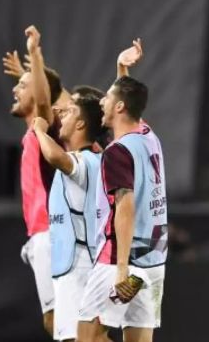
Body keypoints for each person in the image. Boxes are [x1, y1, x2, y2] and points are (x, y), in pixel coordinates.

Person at [78, 76, 167, 342]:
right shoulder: (150, 137)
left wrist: (120, 268)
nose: (102, 102)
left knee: (87, 338)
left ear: (119, 107)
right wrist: (123, 68)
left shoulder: (117, 152)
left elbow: (125, 208)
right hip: (153, 261)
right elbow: (132, 105)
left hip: (119, 259)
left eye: (107, 97)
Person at [33, 85, 105, 342]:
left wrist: (39, 130)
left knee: (77, 338)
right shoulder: (89, 159)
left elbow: (54, 156)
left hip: (81, 266)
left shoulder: (86, 161)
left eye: (71, 110)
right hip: (74, 265)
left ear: (81, 124)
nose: (62, 112)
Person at [5, 25, 64, 336]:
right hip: (45, 234)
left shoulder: (44, 127)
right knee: (66, 322)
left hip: (50, 233)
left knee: (58, 322)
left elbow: (43, 99)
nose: (15, 88)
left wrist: (35, 54)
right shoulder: (34, 133)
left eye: (23, 85)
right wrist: (27, 73)